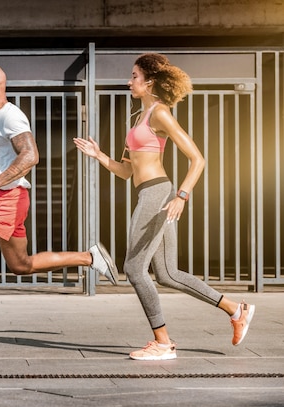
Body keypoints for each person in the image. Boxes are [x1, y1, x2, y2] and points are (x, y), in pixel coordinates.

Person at [73, 53, 255, 360]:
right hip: (147, 191)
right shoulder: (136, 119)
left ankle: (162, 342)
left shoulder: (160, 114)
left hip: (159, 194)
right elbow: (126, 171)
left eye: (134, 76)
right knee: (168, 273)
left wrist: (181, 196)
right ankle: (236, 309)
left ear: (149, 82)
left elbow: (197, 159)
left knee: (133, 267)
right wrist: (99, 155)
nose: (129, 81)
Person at [0, 64, 119, 345]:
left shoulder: (11, 117)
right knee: (21, 265)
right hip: (7, 197)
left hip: (6, 199)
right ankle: (90, 257)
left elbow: (30, 156)